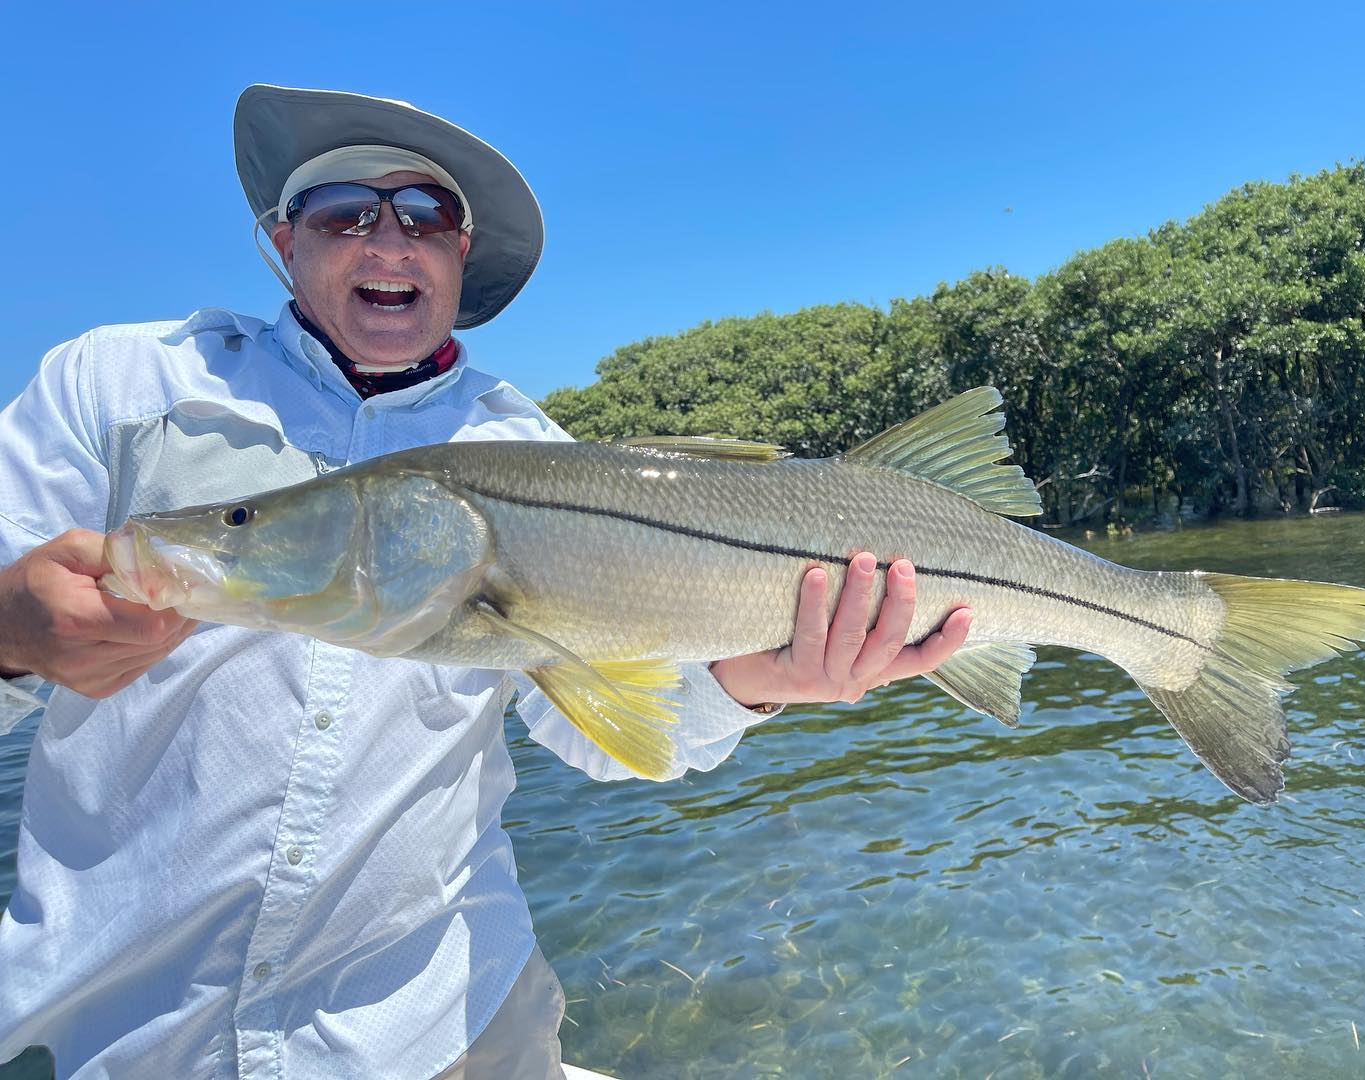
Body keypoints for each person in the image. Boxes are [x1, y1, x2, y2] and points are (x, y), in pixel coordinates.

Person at [0, 86, 973, 1079]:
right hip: (112, 1038)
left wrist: (760, 683)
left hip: (448, 1022)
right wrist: (6, 635)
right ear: (283, 241)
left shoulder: (532, 447)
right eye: (344, 211)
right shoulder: (114, 384)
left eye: (425, 216)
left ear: (460, 256)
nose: (387, 243)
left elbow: (610, 732)